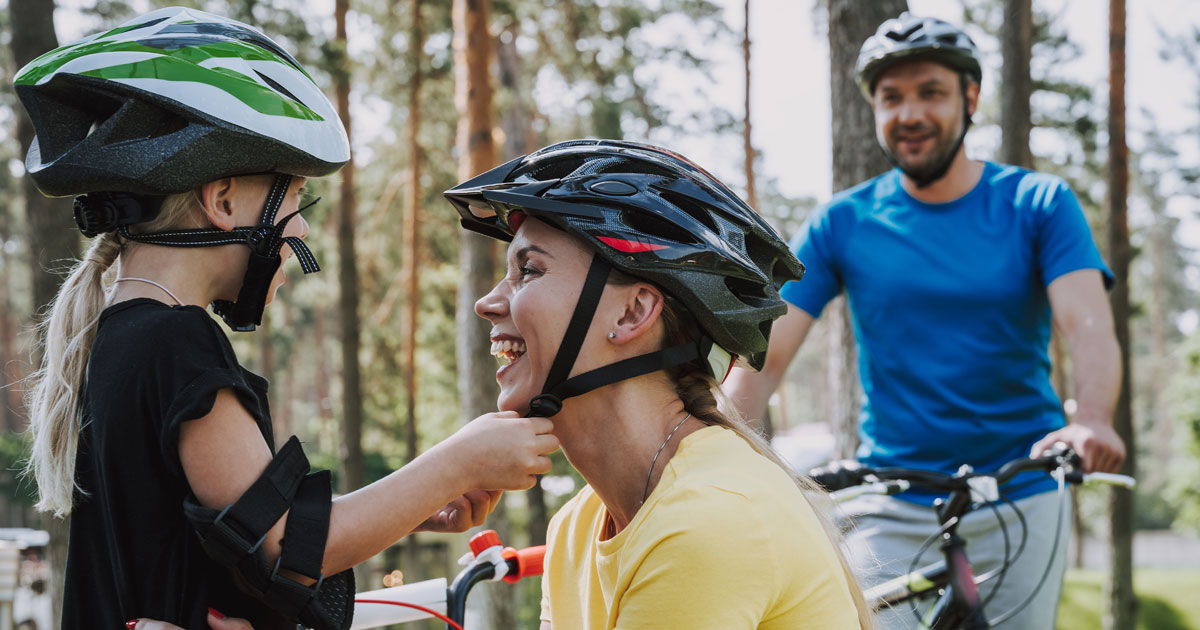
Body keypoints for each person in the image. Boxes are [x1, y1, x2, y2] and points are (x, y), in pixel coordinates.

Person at [17, 8, 557, 630]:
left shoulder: (122, 335)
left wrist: (415, 501)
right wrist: (460, 460)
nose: (299, 228)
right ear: (223, 201)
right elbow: (289, 548)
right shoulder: (177, 340)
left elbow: (240, 537)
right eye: (295, 197)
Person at [723, 12, 1125, 630]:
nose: (909, 113)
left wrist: (1092, 417)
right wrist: (717, 446)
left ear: (970, 98)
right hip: (889, 499)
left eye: (931, 92)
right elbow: (766, 354)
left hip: (1021, 490)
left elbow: (1086, 324)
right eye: (892, 98)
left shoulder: (1039, 204)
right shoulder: (842, 222)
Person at [443, 139, 872, 629]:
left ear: (633, 312)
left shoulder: (706, 521)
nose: (487, 304)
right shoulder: (578, 526)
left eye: (528, 271)